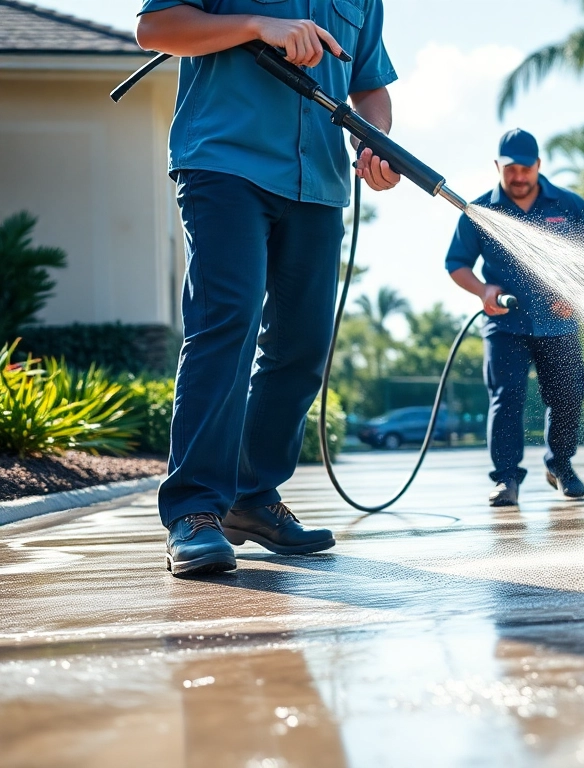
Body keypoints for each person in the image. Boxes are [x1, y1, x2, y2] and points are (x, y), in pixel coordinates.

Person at [136, 0, 402, 576]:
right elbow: (154, 29)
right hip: (225, 165)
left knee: (302, 348)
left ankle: (252, 499)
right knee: (225, 325)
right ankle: (195, 512)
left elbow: (371, 88)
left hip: (319, 184)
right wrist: (260, 25)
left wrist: (375, 141)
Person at [445, 129, 584, 507]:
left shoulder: (569, 205)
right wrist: (482, 291)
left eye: (525, 168)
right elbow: (456, 263)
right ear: (497, 167)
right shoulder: (480, 211)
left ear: (538, 165)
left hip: (559, 323)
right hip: (505, 323)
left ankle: (561, 466)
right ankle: (506, 480)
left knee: (569, 395)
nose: (518, 177)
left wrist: (578, 294)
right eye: (510, 169)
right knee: (507, 399)